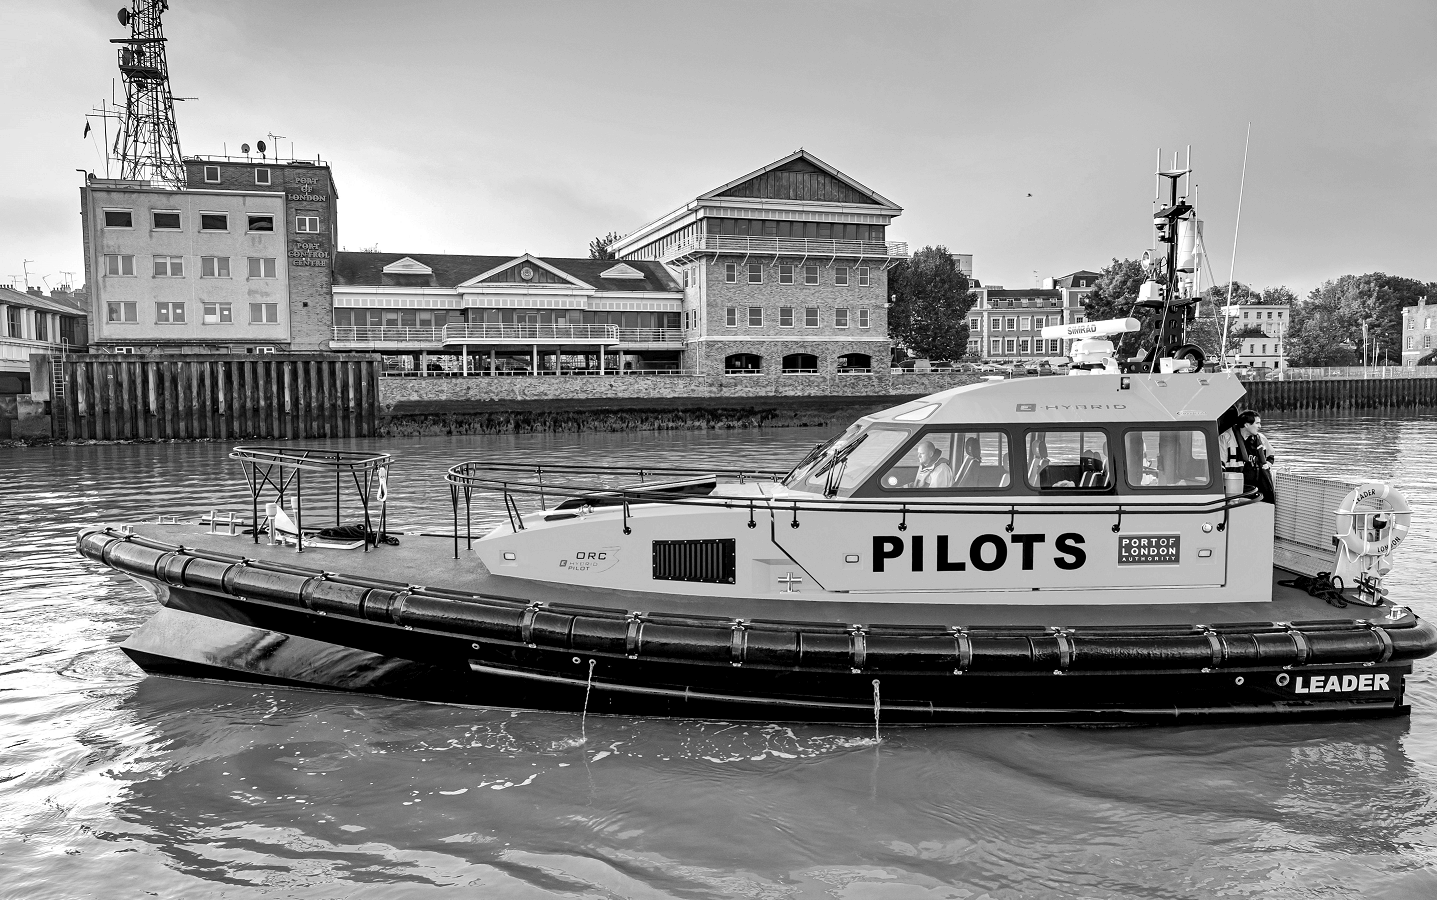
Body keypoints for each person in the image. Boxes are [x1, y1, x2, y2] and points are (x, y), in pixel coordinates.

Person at [1237, 410, 1276, 503]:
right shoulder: (1228, 439)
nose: (1260, 426)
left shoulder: (1261, 438)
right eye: (1257, 423)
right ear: (1246, 425)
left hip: (1258, 487)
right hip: (1237, 488)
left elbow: (1270, 454)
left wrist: (1268, 465)